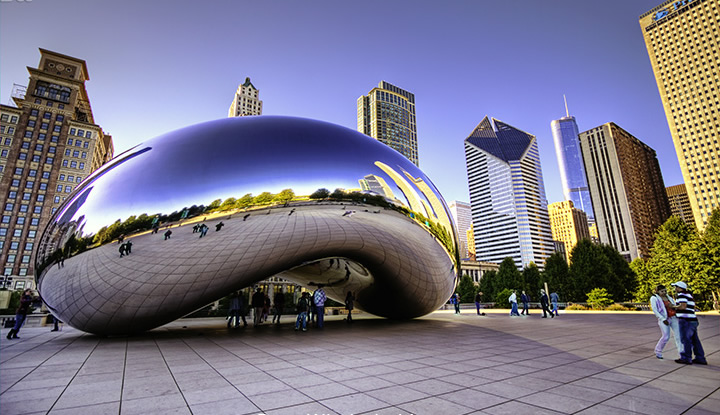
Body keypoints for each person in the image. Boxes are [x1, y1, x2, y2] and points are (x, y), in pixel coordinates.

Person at [672, 281, 707, 365]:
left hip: (685, 320)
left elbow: (683, 306)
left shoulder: (682, 295)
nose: (675, 289)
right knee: (695, 340)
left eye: (676, 287)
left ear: (680, 287)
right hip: (692, 320)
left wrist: (673, 307)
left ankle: (686, 358)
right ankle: (700, 357)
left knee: (685, 339)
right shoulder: (688, 295)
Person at [650, 284, 681, 359]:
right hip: (664, 319)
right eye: (662, 291)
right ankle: (658, 351)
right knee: (666, 336)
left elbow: (673, 305)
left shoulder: (668, 297)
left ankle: (682, 353)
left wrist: (676, 307)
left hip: (673, 317)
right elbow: (655, 309)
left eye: (665, 291)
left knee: (678, 336)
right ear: (657, 291)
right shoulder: (654, 298)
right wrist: (662, 318)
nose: (664, 292)